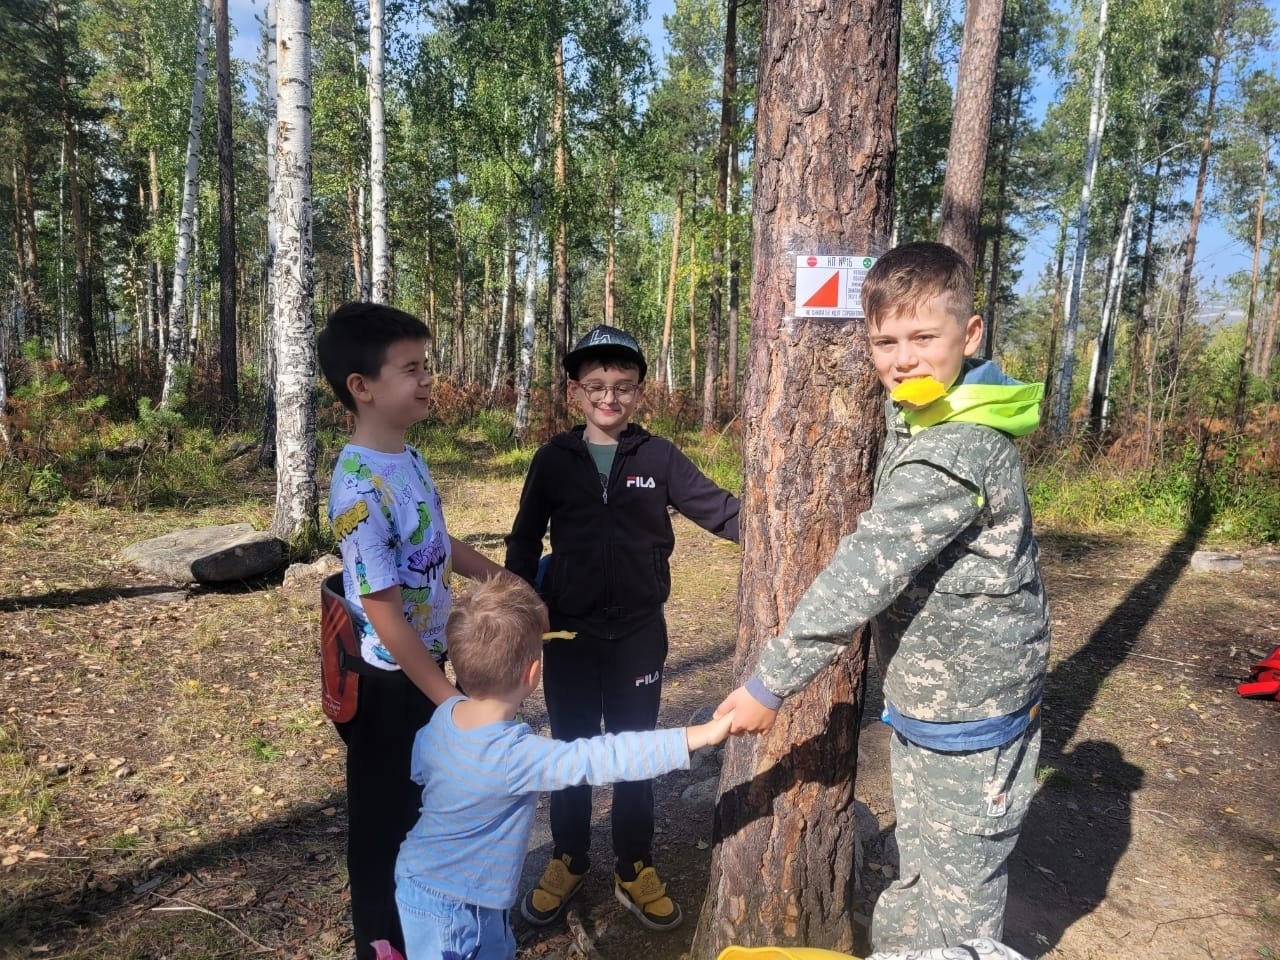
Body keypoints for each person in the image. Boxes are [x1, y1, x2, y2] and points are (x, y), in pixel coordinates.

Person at [716, 241, 1050, 952]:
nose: (902, 359)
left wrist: (770, 683)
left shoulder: (955, 448)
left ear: (971, 333)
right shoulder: (927, 412)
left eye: (924, 337)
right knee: (919, 870)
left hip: (974, 709)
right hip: (934, 700)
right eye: (886, 341)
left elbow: (864, 570)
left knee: (959, 901)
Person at [504, 324, 741, 931]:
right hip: (570, 636)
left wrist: (788, 523)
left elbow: (719, 511)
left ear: (639, 393)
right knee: (572, 751)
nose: (609, 397)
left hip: (638, 633)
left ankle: (635, 864)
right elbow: (525, 541)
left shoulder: (657, 456)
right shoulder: (553, 459)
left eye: (623, 387)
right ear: (576, 393)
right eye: (597, 386)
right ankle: (569, 858)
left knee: (637, 752)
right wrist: (520, 614)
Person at [318, 302, 527, 960]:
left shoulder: (405, 458)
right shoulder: (355, 487)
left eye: (426, 366)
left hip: (428, 668)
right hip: (386, 684)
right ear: (363, 387)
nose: (428, 380)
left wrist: (499, 578)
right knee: (383, 825)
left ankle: (432, 920)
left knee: (427, 805)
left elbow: (434, 540)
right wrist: (447, 700)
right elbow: (380, 609)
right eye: (412, 369)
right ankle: (384, 941)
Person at [394, 576, 735, 960]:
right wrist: (697, 736)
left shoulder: (444, 717)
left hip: (416, 883)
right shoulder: (517, 755)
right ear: (533, 673)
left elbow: (420, 771)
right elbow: (607, 757)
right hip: (463, 911)